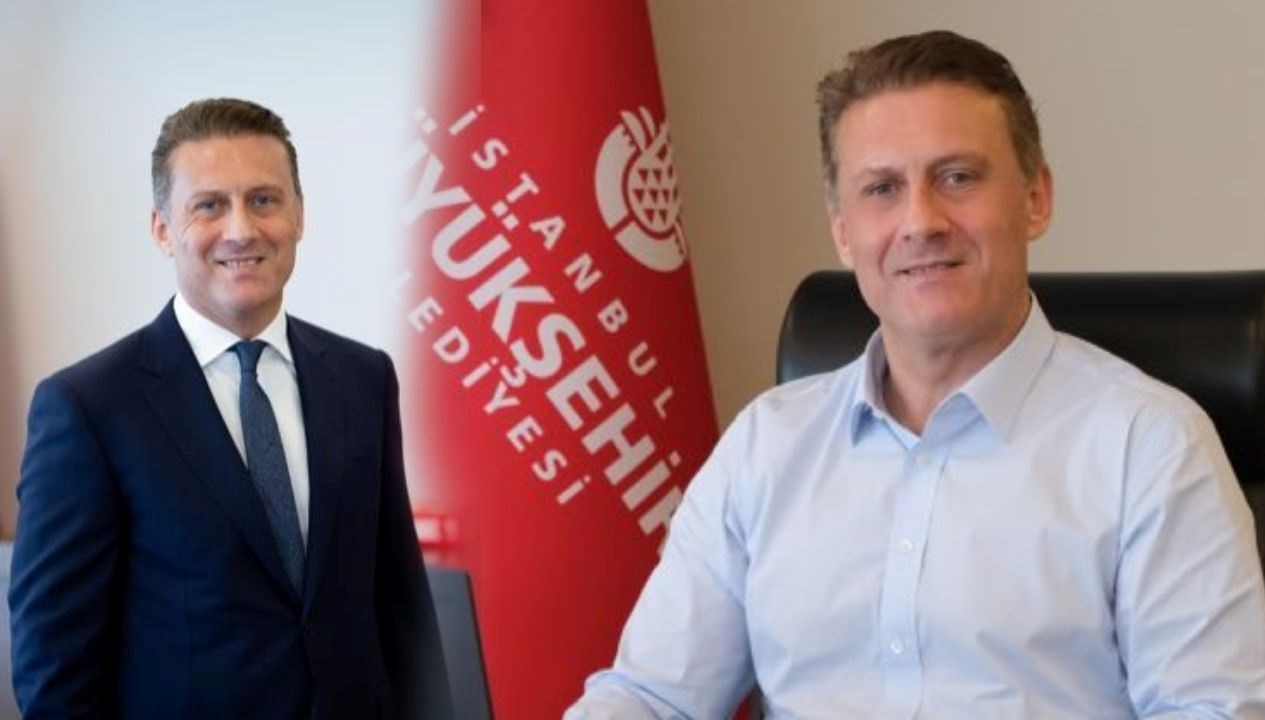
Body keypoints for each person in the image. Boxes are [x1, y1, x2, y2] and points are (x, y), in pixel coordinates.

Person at [567, 30, 1265, 719]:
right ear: (843, 230)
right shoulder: (765, 447)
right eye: (881, 188)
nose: (920, 221)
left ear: (1034, 198)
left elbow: (1212, 710)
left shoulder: (1149, 447)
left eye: (957, 177)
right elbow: (650, 696)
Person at [9, 98, 453, 719]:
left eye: (264, 200)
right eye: (209, 206)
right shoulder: (88, 409)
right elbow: (54, 669)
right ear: (163, 229)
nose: (241, 229)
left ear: (299, 215)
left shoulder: (363, 379)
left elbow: (403, 615)